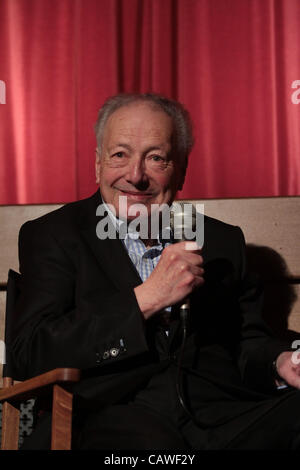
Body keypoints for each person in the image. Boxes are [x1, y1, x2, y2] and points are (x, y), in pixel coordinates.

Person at [11, 93, 300, 450]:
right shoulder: (55, 235)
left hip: (218, 418)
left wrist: (279, 362)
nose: (136, 176)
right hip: (110, 415)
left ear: (181, 169)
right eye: (120, 155)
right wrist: (145, 299)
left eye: (156, 158)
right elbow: (31, 353)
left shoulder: (221, 242)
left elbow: (245, 343)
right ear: (98, 164)